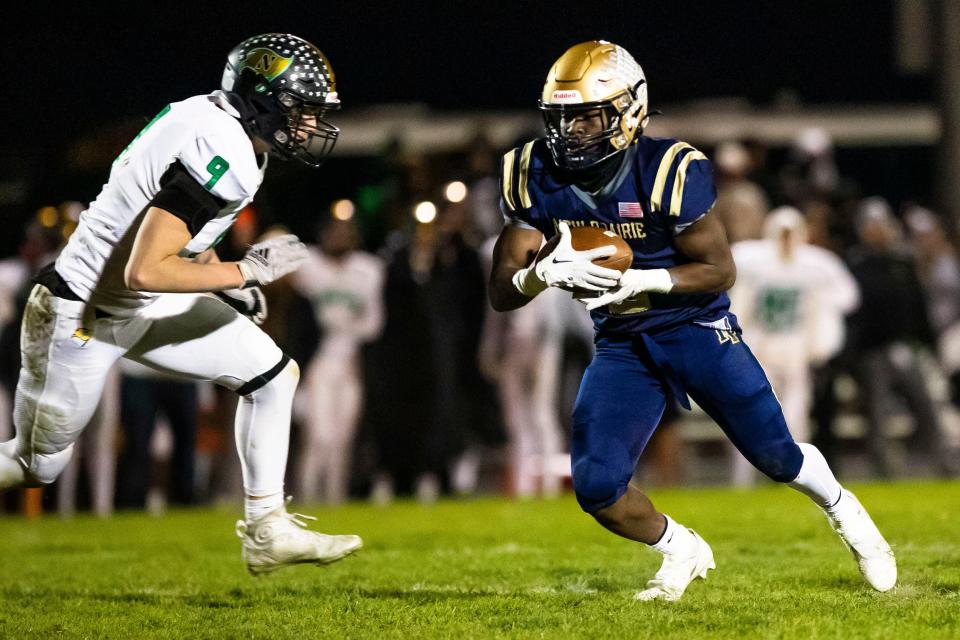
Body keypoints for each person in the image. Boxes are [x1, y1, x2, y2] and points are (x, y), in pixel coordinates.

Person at [487, 40, 896, 601]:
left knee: (777, 457)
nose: (570, 133)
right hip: (622, 340)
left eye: (586, 116)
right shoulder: (531, 171)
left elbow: (719, 270)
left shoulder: (668, 168)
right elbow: (502, 293)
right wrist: (541, 275)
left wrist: (642, 280)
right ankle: (680, 547)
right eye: (560, 118)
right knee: (598, 487)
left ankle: (842, 507)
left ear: (629, 110)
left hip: (695, 328)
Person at [0, 33, 361, 574]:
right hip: (80, 312)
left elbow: (181, 237)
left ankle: (267, 528)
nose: (309, 126)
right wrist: (247, 270)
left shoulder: (208, 117)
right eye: (301, 109)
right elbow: (145, 266)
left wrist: (226, 283)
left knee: (272, 374)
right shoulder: (224, 149)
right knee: (36, 465)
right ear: (261, 101)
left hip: (139, 304)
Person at [729, 207, 860, 484]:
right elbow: (737, 296)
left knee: (796, 416)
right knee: (750, 412)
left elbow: (845, 298)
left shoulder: (816, 264)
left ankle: (797, 479)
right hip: (760, 346)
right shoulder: (751, 259)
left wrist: (821, 343)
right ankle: (742, 482)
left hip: (795, 347)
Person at [293, 217, 384, 504]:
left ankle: (335, 499)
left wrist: (345, 327)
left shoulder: (367, 269)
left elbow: (373, 323)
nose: (340, 237)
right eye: (334, 231)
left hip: (350, 363)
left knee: (343, 437)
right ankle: (307, 498)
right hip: (317, 363)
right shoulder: (309, 264)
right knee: (319, 435)